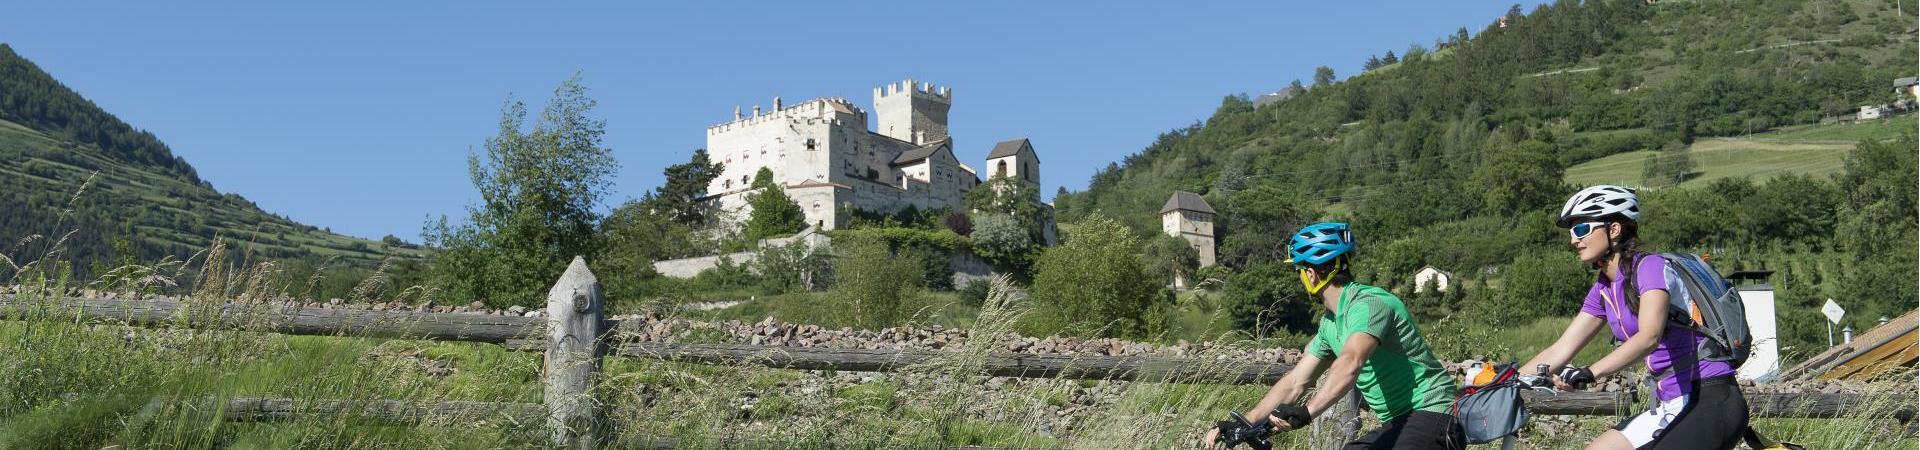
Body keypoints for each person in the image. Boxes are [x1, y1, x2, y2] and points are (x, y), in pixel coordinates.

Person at [1519, 185, 1747, 449]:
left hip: (1709, 400)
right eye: (1571, 231)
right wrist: (1508, 380)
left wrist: (1591, 372)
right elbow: (1561, 348)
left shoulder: (1650, 267)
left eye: (1581, 229)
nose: (1573, 239)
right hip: (1668, 405)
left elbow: (1649, 336)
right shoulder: (1603, 289)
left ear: (1613, 230)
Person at [1204, 222, 1462, 450]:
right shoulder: (1330, 325)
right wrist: (1245, 422)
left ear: (1310, 274)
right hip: (1401, 421)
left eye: (1300, 271)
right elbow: (1295, 382)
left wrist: (1308, 411)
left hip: (1434, 412)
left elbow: (1351, 361)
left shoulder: (1369, 305)